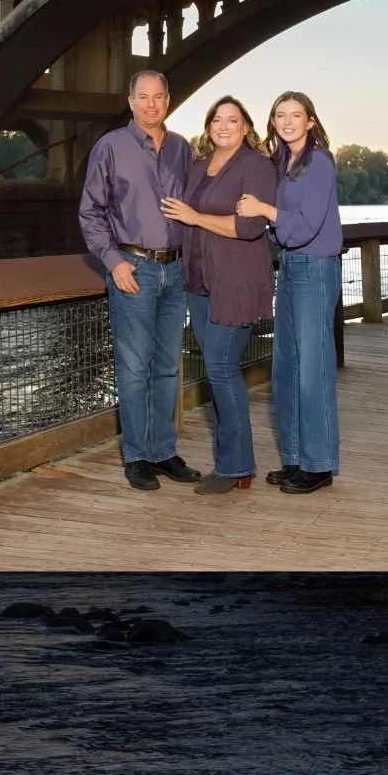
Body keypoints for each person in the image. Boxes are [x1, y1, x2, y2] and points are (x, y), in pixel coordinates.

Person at [78, 69, 202, 491]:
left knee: (167, 367)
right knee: (133, 368)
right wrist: (113, 262)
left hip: (176, 269)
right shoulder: (110, 147)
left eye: (159, 96)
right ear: (130, 101)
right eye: (143, 97)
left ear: (168, 100)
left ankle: (164, 451)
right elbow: (90, 212)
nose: (151, 104)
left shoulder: (183, 149)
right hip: (133, 269)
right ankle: (136, 457)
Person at [160, 97, 277, 495]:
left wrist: (195, 218)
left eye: (233, 120)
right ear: (208, 126)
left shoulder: (256, 167)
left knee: (222, 368)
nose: (224, 126)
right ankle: (239, 465)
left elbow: (250, 227)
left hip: (236, 282)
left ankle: (234, 467)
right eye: (217, 120)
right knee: (218, 370)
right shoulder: (197, 167)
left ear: (246, 127)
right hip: (198, 283)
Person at [236, 91, 343, 494]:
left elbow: (309, 223)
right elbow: (284, 231)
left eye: (295, 115)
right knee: (286, 368)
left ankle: (320, 465)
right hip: (292, 267)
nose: (287, 121)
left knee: (313, 370)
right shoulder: (283, 163)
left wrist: (265, 211)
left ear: (311, 121)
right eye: (280, 115)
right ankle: (296, 459)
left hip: (315, 269)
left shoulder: (318, 162)